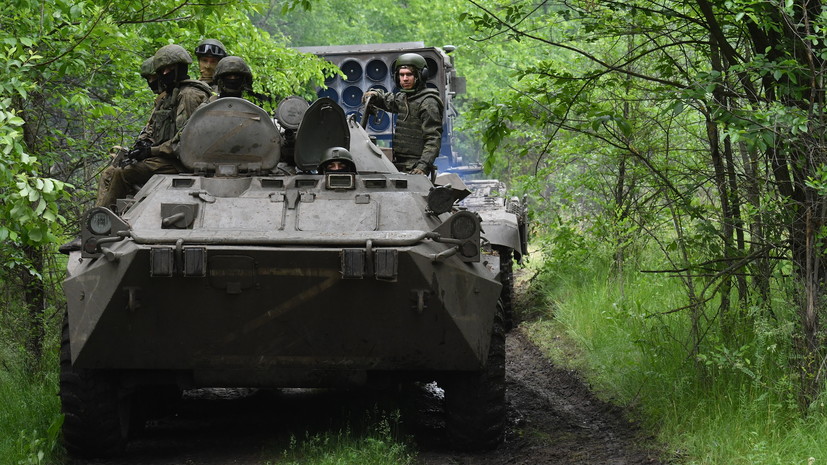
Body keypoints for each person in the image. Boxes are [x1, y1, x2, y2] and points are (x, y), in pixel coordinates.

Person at [96, 44, 211, 209]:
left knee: (123, 174)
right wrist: (144, 146)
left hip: (180, 163)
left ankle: (103, 224)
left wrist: (150, 151)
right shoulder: (171, 95)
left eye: (170, 69)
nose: (165, 74)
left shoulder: (188, 95)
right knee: (111, 172)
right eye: (162, 71)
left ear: (180, 68)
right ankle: (99, 218)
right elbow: (156, 130)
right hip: (167, 158)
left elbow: (184, 143)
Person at [362, 53, 443, 175]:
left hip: (415, 166)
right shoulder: (404, 97)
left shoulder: (428, 102)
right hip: (399, 163)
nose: (405, 79)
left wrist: (422, 166)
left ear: (420, 76)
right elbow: (387, 100)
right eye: (401, 74)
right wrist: (375, 95)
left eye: (409, 74)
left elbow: (433, 139)